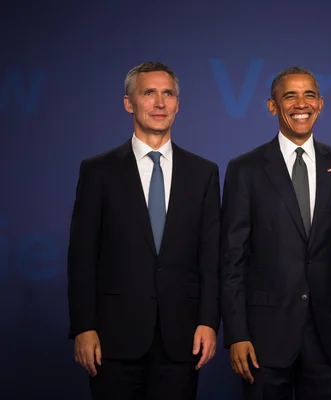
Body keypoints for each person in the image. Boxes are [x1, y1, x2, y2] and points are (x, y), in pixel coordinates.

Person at [67, 61, 221, 400]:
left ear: (178, 104)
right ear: (129, 103)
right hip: (112, 338)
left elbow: (210, 257)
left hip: (181, 338)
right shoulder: (98, 171)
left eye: (168, 94)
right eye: (149, 93)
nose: (160, 103)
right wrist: (83, 326)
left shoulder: (203, 173)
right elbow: (82, 256)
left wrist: (209, 322)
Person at [220, 66, 331, 400]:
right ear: (272, 106)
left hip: (327, 332)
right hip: (263, 337)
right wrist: (236, 334)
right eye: (289, 95)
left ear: (320, 104)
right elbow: (233, 259)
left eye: (308, 95)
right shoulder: (245, 169)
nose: (300, 103)